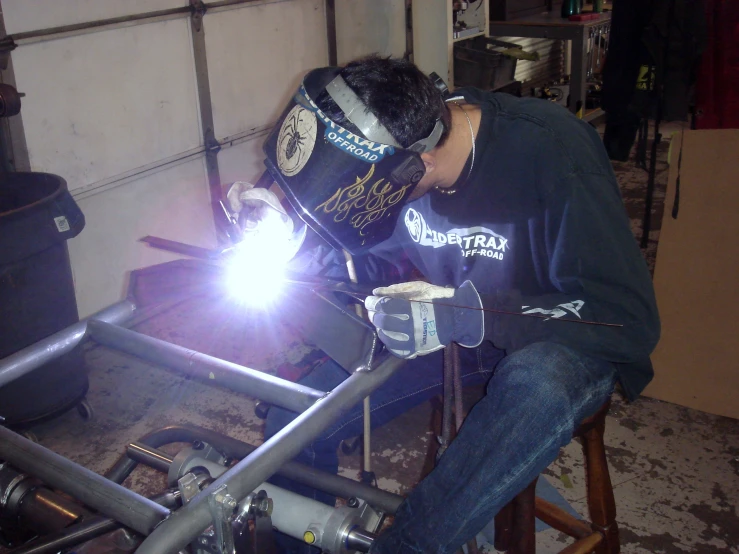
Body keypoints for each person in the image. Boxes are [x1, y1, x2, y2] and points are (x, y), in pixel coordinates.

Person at [228, 55, 660, 553]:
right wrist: (280, 230)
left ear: (422, 163)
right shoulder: (391, 154)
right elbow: (359, 253)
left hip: (558, 335)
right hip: (454, 325)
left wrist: (465, 313)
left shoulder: (554, 152)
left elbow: (621, 315)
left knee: (537, 384)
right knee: (295, 421)